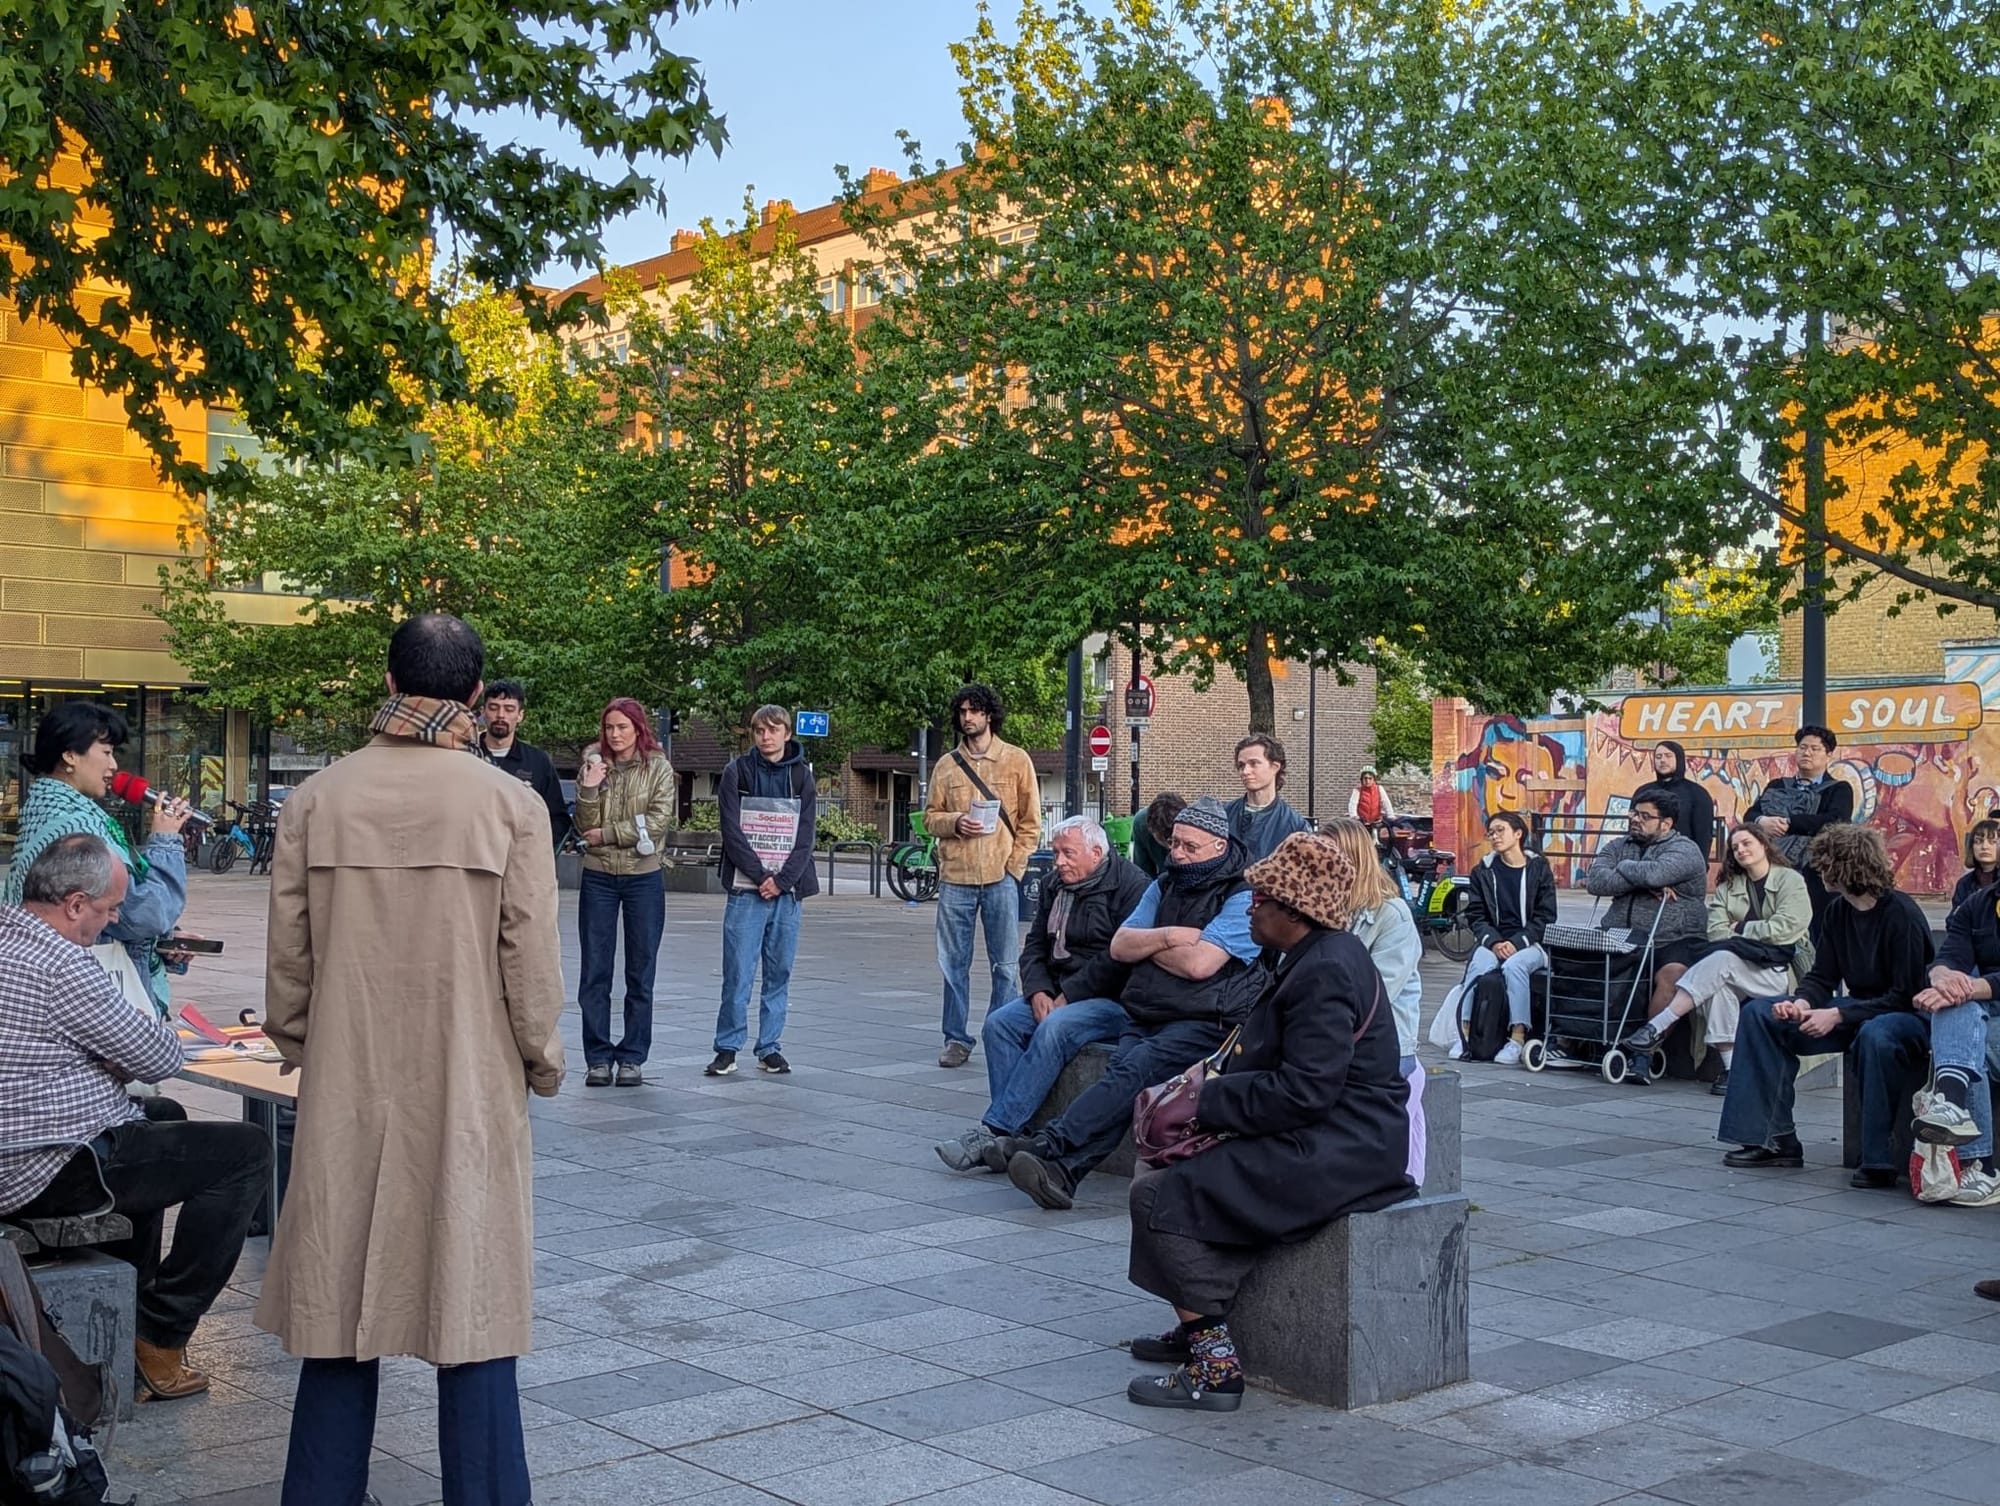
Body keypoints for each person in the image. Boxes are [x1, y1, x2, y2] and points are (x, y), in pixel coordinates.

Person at [260, 612, 566, 1505]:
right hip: (466, 1082)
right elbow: (531, 963)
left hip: (349, 1081)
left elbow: (290, 962)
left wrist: (297, 1042)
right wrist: (539, 1061)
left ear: (390, 683)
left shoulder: (317, 799)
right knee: (468, 1303)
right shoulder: (511, 805)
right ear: (476, 694)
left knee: (336, 1303)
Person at [1122, 831, 1414, 1413]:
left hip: (1342, 1149)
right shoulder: (1316, 954)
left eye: (1261, 900)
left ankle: (1214, 1365)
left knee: (1158, 1196)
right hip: (1331, 1135)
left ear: (1296, 910)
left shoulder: (1327, 970)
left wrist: (1209, 1102)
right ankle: (1199, 1314)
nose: (1250, 907)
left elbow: (1307, 1090)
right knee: (1165, 1172)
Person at [0, 834, 269, 1402]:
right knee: (245, 1152)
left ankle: (135, 1313)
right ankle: (162, 1331)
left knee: (161, 1116)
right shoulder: (60, 961)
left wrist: (100, 1057)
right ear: (75, 903)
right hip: (41, 1164)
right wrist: (109, 1056)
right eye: (109, 910)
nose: (113, 921)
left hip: (30, 1141)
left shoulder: (8, 930)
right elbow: (160, 1055)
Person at [990, 797, 1263, 1210]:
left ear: (1219, 847)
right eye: (1174, 844)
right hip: (1149, 1008)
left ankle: (1051, 1144)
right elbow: (1121, 944)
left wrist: (1148, 944)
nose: (1177, 854)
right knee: (1125, 1076)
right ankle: (1064, 1173)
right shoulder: (1164, 882)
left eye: (1190, 846)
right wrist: (1172, 936)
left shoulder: (1241, 894)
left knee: (1133, 1069)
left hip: (1208, 1018)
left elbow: (1200, 965)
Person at [1717, 824, 1934, 1187]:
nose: (1818, 872)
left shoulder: (1902, 915)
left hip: (1906, 1016)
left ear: (1845, 867)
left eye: (1824, 864)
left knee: (1876, 1034)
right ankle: (1775, 1140)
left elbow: (1906, 994)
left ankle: (1878, 1158)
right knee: (1761, 1015)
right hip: (1857, 1009)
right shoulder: (1837, 913)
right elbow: (1822, 975)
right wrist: (1801, 1003)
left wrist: (1837, 1014)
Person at [933, 817, 1150, 1171]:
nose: (1058, 861)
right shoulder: (1054, 885)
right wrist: (1037, 991)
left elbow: (1118, 958)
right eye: (1056, 852)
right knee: (999, 1024)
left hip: (1113, 999)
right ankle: (1018, 1136)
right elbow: (1034, 946)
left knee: (1056, 1027)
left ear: (1096, 853)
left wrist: (1069, 995)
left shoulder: (1131, 887)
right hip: (1057, 989)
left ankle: (995, 1129)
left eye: (1068, 853)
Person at [2, 702, 193, 1014]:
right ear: (70, 755)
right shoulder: (78, 828)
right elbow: (142, 916)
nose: (114, 765)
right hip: (88, 992)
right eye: (105, 751)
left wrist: (168, 938)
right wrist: (165, 841)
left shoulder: (44, 813)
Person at [1619, 825, 1813, 1097]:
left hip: (1779, 970)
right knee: (1719, 983)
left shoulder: (1790, 880)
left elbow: (1788, 927)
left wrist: (1742, 929)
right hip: (1740, 966)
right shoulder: (1729, 886)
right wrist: (1752, 931)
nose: (1741, 850)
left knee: (1722, 959)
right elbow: (1716, 931)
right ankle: (1732, 1070)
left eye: (1747, 843)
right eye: (1736, 848)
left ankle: (1656, 1027)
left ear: (1764, 845)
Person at [924, 684, 1041, 1068]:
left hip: (999, 876)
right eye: (962, 712)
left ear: (989, 715)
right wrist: (956, 821)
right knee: (952, 963)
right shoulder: (945, 765)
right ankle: (956, 1038)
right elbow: (929, 818)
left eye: (974, 711)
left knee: (1005, 964)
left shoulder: (1016, 760)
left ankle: (998, 1031)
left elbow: (1030, 822)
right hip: (956, 876)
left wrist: (1014, 867)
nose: (967, 718)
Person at [708, 705, 818, 1078]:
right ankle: (727, 1047)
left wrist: (782, 881)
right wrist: (760, 876)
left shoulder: (802, 776)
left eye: (774, 730)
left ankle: (769, 1047)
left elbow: (805, 837)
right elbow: (731, 830)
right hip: (745, 890)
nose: (766, 737)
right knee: (737, 972)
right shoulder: (736, 772)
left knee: (779, 972)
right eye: (760, 731)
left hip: (787, 894)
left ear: (787, 733)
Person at [573, 696, 675, 1086]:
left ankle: (632, 1057)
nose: (615, 735)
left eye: (623, 727)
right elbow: (585, 826)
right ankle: (597, 1058)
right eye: (610, 727)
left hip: (643, 877)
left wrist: (609, 834)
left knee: (640, 970)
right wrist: (588, 789)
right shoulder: (594, 765)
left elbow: (659, 821)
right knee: (595, 970)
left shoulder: (658, 768)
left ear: (637, 729)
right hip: (598, 876)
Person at [1907, 872, 2000, 1206]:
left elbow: (1971, 988)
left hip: (1986, 1005)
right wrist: (1942, 976)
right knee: (1959, 1019)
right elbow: (1950, 955)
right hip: (1986, 1015)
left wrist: (1966, 989)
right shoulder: (1979, 904)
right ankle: (1951, 1106)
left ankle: (1981, 1165)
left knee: (1960, 1015)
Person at [1455, 811, 1558, 1066]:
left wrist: (1518, 943)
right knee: (1478, 964)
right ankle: (1465, 1034)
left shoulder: (1538, 868)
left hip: (1531, 943)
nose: (1495, 836)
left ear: (1518, 833)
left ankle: (1518, 1037)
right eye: (1491, 832)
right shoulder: (1483, 871)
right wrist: (1494, 942)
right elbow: (1476, 915)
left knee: (1515, 966)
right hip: (1495, 940)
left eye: (1500, 830)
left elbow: (1546, 916)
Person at [1583, 793, 1709, 1000]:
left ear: (1666, 824)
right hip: (1617, 932)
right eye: (1634, 813)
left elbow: (1654, 874)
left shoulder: (1685, 849)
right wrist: (1642, 883)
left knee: (1673, 975)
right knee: (1575, 961)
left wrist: (1623, 867)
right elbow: (1596, 882)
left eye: (1645, 816)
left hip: (1671, 938)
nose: (1635, 819)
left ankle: (1651, 1033)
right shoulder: (1617, 846)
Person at [1745, 725, 1854, 937]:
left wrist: (1789, 823)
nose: (1807, 752)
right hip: (1774, 869)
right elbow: (1750, 814)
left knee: (1817, 932)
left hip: (1816, 874)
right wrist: (1762, 820)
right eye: (1802, 747)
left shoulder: (1838, 789)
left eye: (1815, 748)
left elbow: (1835, 820)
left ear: (1828, 755)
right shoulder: (1777, 785)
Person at [479, 678, 571, 853]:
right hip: (473, 859)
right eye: (493, 707)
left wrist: (535, 852)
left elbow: (558, 819)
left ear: (520, 715)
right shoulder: (467, 755)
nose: (501, 715)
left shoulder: (538, 761)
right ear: (483, 712)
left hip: (522, 860)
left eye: (509, 709)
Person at [1225, 734, 1309, 863]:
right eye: (1241, 765)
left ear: (1275, 767)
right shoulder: (1223, 815)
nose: (1245, 771)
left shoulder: (1295, 826)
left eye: (1254, 763)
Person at [1632, 740, 1716, 867]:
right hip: (1643, 864)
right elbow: (1633, 830)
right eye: (1658, 757)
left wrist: (1699, 867)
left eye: (1668, 756)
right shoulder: (1643, 792)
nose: (1662, 760)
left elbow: (1703, 836)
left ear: (1679, 759)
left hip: (1682, 864)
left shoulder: (1697, 794)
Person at [1132, 792, 1187, 879]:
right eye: (1167, 841)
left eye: (1175, 840)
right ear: (1151, 829)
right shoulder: (1141, 823)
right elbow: (1143, 874)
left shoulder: (1195, 827)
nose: (1171, 848)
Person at [1953, 819, 2000, 911]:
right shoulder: (1965, 883)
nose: (1984, 847)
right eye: (1978, 841)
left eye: (1993, 842)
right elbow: (1953, 920)